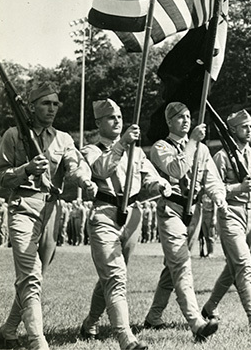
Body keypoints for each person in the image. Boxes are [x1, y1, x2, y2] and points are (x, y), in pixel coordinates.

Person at [0, 83, 94, 350]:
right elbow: (0, 177)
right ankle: (38, 341)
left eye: (55, 104)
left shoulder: (63, 138)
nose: (52, 109)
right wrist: (26, 169)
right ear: (31, 106)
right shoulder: (13, 135)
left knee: (36, 276)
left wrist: (84, 181)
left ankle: (8, 332)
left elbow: (74, 165)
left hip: (51, 210)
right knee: (31, 275)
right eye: (45, 103)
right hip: (23, 207)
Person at [79, 99, 170, 350]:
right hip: (105, 215)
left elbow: (149, 181)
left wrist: (160, 186)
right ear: (98, 123)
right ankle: (125, 337)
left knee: (111, 276)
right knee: (116, 277)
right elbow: (100, 170)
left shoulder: (136, 152)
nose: (117, 120)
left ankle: (90, 323)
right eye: (110, 117)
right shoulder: (91, 150)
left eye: (119, 116)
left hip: (131, 217)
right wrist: (122, 144)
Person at [143, 102, 226, 343]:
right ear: (169, 122)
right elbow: (177, 170)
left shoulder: (200, 149)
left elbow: (211, 178)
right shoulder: (160, 147)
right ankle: (196, 323)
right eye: (180, 118)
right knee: (181, 264)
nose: (186, 121)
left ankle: (154, 316)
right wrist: (192, 143)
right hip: (172, 208)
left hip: (195, 211)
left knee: (172, 266)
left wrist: (219, 197)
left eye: (188, 116)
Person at [201, 109, 251, 333]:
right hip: (230, 213)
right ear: (233, 130)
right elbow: (212, 188)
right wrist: (238, 187)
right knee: (244, 264)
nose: (250, 130)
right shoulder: (221, 157)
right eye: (244, 127)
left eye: (250, 126)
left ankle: (209, 307)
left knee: (233, 267)